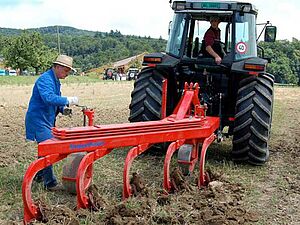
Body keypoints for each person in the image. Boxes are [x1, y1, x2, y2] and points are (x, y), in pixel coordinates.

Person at [25, 54, 79, 191]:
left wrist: (62, 109)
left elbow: (56, 98)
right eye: (66, 70)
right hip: (38, 120)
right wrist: (68, 100)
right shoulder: (45, 79)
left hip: (46, 119)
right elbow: (48, 98)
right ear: (58, 67)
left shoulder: (55, 80)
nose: (67, 74)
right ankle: (50, 183)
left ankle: (39, 175)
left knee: (45, 148)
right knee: (49, 149)